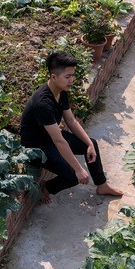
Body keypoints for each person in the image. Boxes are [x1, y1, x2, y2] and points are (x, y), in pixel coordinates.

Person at [20, 51, 123, 202]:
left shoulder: (61, 92)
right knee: (73, 176)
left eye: (72, 76)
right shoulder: (42, 104)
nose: (71, 80)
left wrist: (88, 143)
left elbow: (71, 121)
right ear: (53, 77)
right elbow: (59, 141)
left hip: (51, 138)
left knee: (91, 144)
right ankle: (46, 188)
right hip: (36, 147)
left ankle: (102, 185)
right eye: (67, 77)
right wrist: (79, 169)